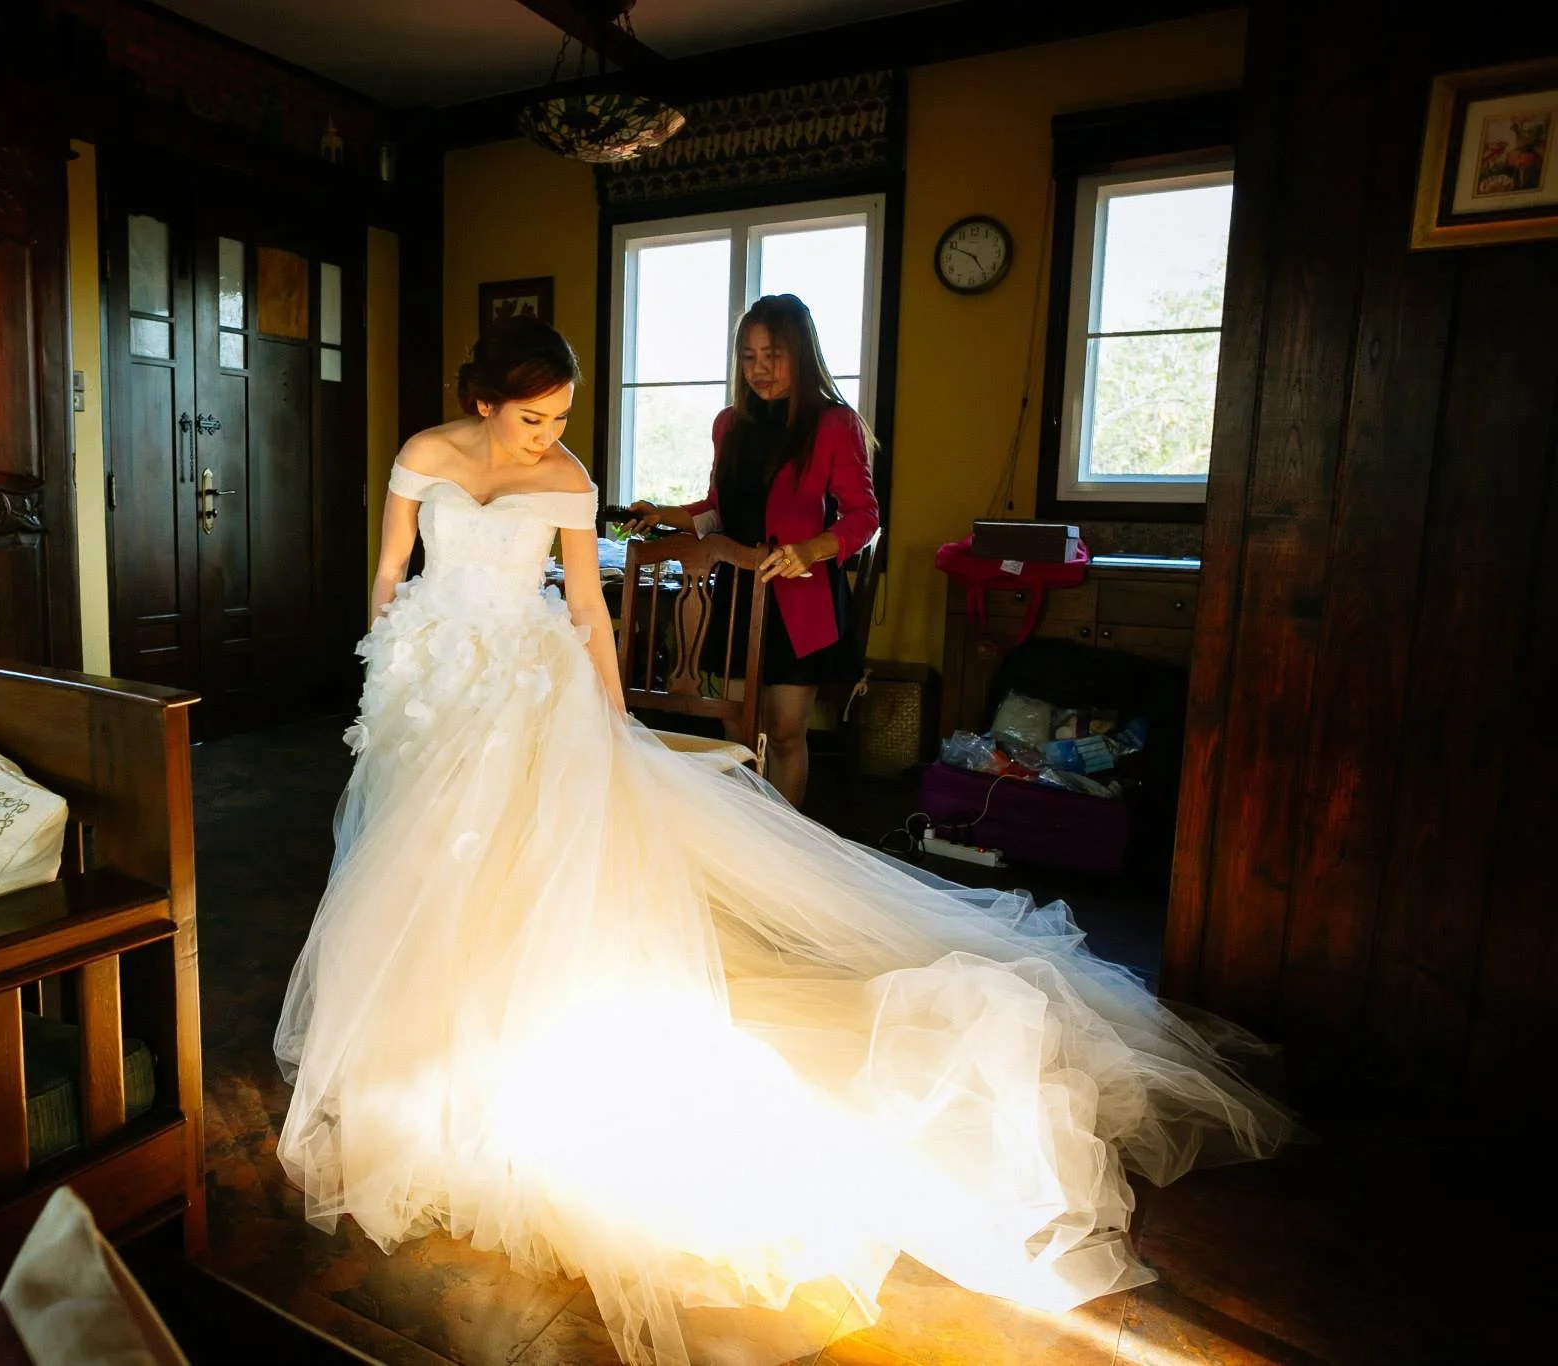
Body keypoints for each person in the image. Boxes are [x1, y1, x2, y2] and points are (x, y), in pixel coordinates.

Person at [274, 314, 1295, 1366]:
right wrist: (392, 663)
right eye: (533, 418)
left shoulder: (569, 478)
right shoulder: (423, 454)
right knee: (422, 858)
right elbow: (389, 573)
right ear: (483, 401)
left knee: (522, 861)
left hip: (530, 683)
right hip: (434, 682)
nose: (551, 435)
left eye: (563, 417)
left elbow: (585, 604)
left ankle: (509, 1035)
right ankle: (429, 1040)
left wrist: (610, 717)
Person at [627, 294, 877, 808]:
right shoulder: (728, 424)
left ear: (800, 354)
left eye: (773, 355)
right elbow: (718, 510)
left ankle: (783, 840)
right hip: (737, 595)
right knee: (736, 732)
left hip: (800, 601)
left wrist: (813, 548)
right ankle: (744, 834)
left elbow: (864, 515)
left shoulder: (834, 424)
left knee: (784, 733)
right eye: (748, 357)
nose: (759, 369)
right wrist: (663, 513)